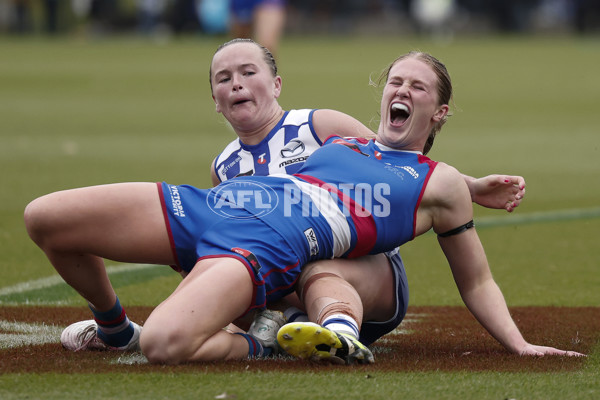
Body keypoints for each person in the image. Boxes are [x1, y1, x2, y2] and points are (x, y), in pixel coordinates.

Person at [24, 45, 584, 365]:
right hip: (216, 205)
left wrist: (519, 343)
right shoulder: (347, 142)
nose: (402, 91)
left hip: (267, 243)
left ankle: (263, 343)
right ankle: (116, 327)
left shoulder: (438, 183)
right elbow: (378, 154)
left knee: (167, 345)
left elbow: (477, 280)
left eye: (417, 87)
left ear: (439, 112)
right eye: (396, 82)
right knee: (45, 217)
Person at [209, 38, 526, 351]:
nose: (237, 84)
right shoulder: (223, 167)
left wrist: (468, 187)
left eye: (248, 73)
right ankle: (282, 326)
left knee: (309, 269)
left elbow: (391, 162)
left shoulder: (317, 125)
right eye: (224, 78)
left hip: (361, 264)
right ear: (214, 99)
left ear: (277, 84)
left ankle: (317, 330)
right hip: (284, 268)